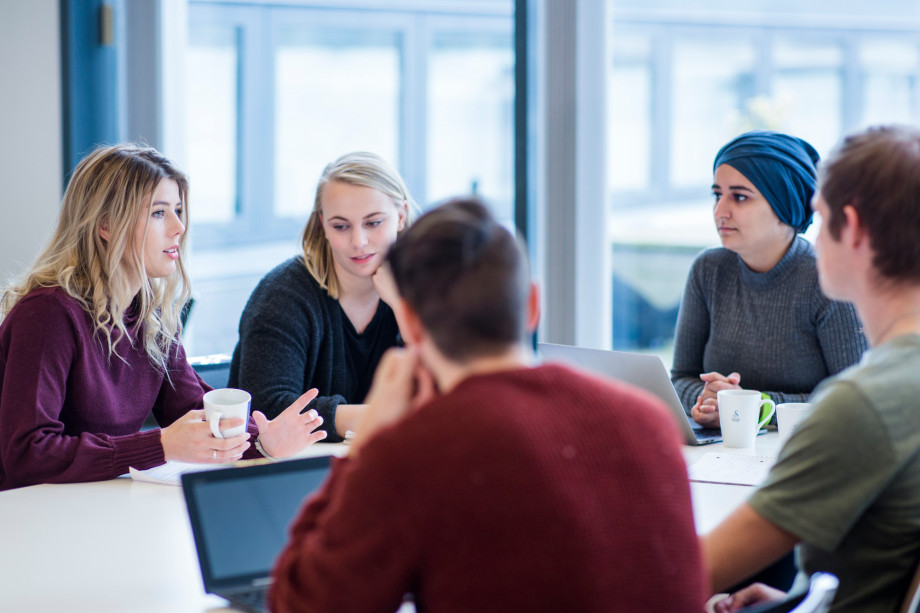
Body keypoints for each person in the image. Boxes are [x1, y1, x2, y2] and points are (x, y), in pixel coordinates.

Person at [268, 198, 706, 612]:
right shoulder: (646, 419)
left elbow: (303, 604)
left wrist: (367, 450)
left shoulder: (416, 450)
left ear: (413, 326)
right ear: (533, 305)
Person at [0, 144, 326, 491]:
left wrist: (263, 440)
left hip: (96, 508)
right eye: (159, 213)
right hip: (28, 518)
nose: (179, 227)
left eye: (178, 210)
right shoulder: (48, 313)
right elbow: (26, 455)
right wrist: (160, 444)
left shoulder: (149, 316)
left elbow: (195, 411)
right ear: (107, 224)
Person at [704, 125, 920, 612]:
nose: (812, 236)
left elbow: (696, 569)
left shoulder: (862, 404)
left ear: (854, 228)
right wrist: (797, 601)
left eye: (819, 219)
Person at [671, 130, 867, 429]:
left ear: (784, 204)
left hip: (804, 447)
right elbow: (681, 377)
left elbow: (855, 400)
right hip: (724, 449)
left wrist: (752, 406)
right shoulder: (707, 269)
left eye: (739, 197)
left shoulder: (828, 280)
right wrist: (708, 401)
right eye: (717, 194)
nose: (720, 211)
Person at [228, 151, 416, 441]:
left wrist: (404, 311)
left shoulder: (426, 286)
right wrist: (376, 416)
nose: (358, 242)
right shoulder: (283, 295)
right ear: (322, 224)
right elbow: (266, 411)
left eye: (374, 223)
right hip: (298, 471)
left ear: (401, 216)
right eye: (340, 226)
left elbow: (449, 390)